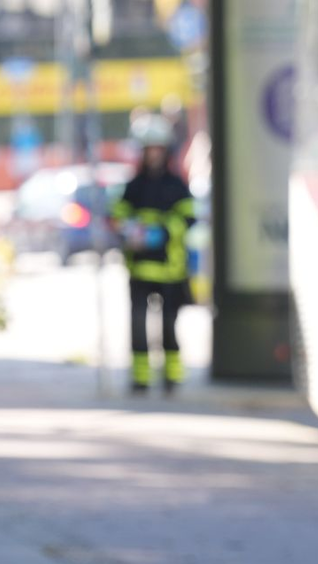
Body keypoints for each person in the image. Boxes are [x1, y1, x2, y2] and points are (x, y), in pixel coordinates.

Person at [110, 114, 196, 393]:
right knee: (138, 326)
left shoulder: (176, 185)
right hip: (139, 268)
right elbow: (119, 216)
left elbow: (189, 218)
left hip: (170, 269)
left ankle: (172, 376)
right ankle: (141, 378)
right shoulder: (134, 185)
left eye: (158, 149)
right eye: (149, 150)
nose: (154, 155)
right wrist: (128, 229)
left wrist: (164, 229)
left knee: (169, 326)